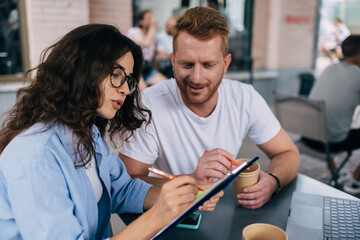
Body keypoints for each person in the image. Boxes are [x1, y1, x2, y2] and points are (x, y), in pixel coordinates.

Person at [0, 24, 222, 239]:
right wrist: (156, 217)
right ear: (82, 70)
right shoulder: (36, 155)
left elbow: (123, 189)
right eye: (117, 75)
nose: (126, 89)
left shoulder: (86, 134)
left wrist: (187, 194)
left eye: (129, 80)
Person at [116, 7, 300, 210]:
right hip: (169, 219)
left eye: (208, 65)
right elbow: (127, 182)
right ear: (173, 61)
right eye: (187, 64)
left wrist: (273, 182)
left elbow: (288, 153)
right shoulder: (147, 105)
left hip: (224, 213)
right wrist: (192, 180)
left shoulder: (245, 98)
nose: (196, 78)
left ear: (226, 64)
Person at [303, 35, 360, 194]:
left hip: (308, 137)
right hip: (331, 142)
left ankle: (334, 170)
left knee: (330, 123)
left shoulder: (329, 68)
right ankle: (355, 181)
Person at [127, 9, 167, 86]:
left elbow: (154, 55)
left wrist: (156, 70)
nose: (152, 20)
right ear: (141, 22)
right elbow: (145, 42)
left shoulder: (152, 36)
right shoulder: (133, 32)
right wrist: (153, 26)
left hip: (147, 69)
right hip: (135, 68)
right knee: (144, 91)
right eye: (149, 18)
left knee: (165, 85)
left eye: (152, 17)